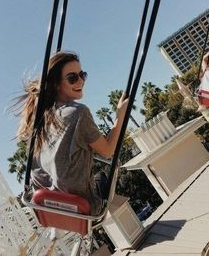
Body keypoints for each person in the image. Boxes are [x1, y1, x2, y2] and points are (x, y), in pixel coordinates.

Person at [16, 51, 128, 216]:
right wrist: (119, 116)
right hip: (82, 207)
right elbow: (108, 151)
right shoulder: (78, 113)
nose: (81, 81)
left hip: (52, 207)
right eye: (72, 78)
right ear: (56, 84)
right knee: (101, 177)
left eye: (82, 75)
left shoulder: (41, 121)